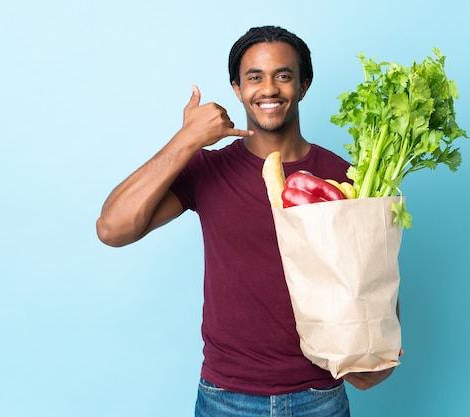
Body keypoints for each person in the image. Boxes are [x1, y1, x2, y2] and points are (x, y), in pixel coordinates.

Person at [96, 25, 398, 417]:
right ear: (237, 89)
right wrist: (186, 139)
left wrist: (377, 357)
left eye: (283, 76)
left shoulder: (345, 176)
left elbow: (373, 278)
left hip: (320, 397)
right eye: (254, 77)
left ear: (303, 85)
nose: (268, 89)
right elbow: (112, 228)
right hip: (226, 398)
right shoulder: (208, 168)